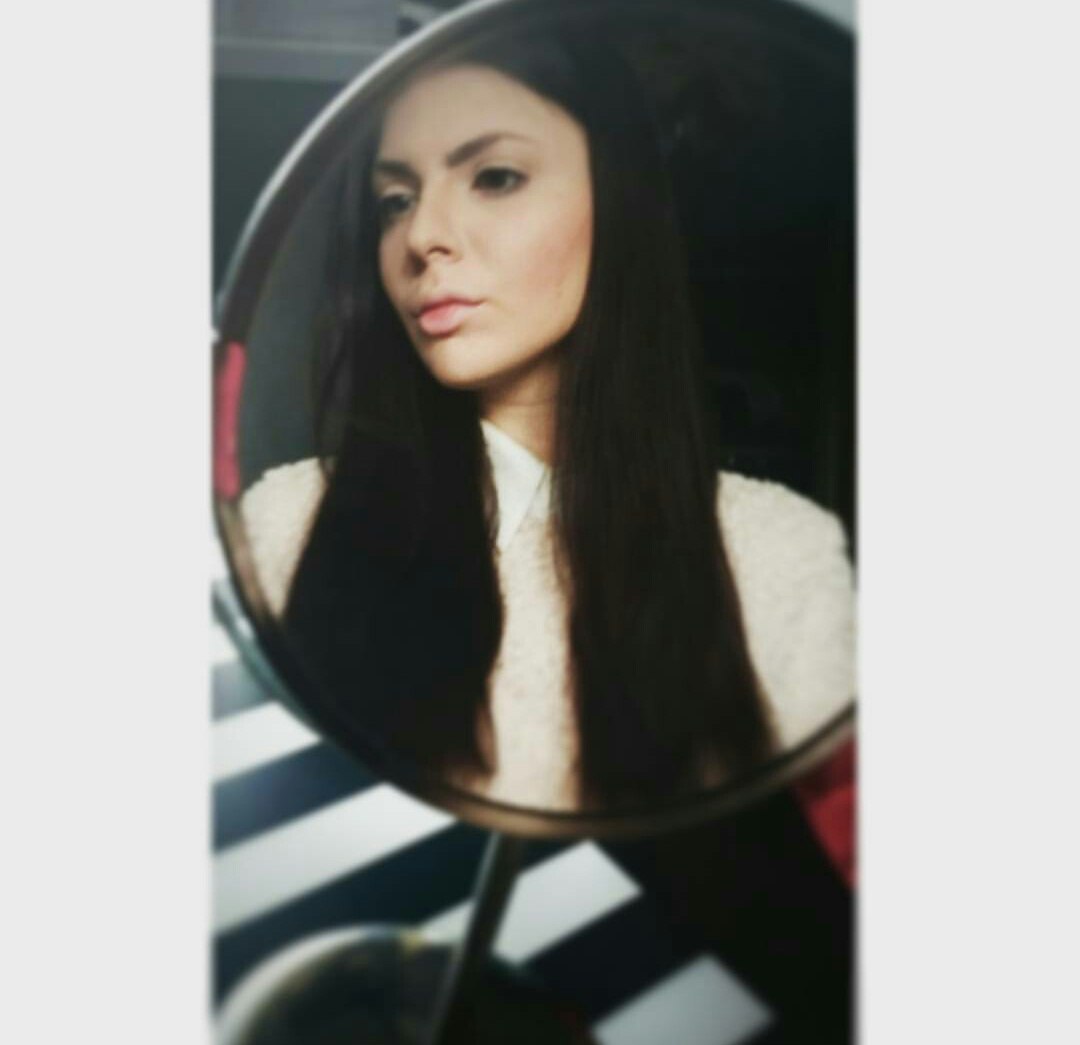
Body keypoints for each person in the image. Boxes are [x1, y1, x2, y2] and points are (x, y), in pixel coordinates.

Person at [240, 29, 855, 812]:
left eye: (495, 176)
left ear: (618, 204)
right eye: (395, 200)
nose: (422, 237)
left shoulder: (779, 557)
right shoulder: (287, 523)